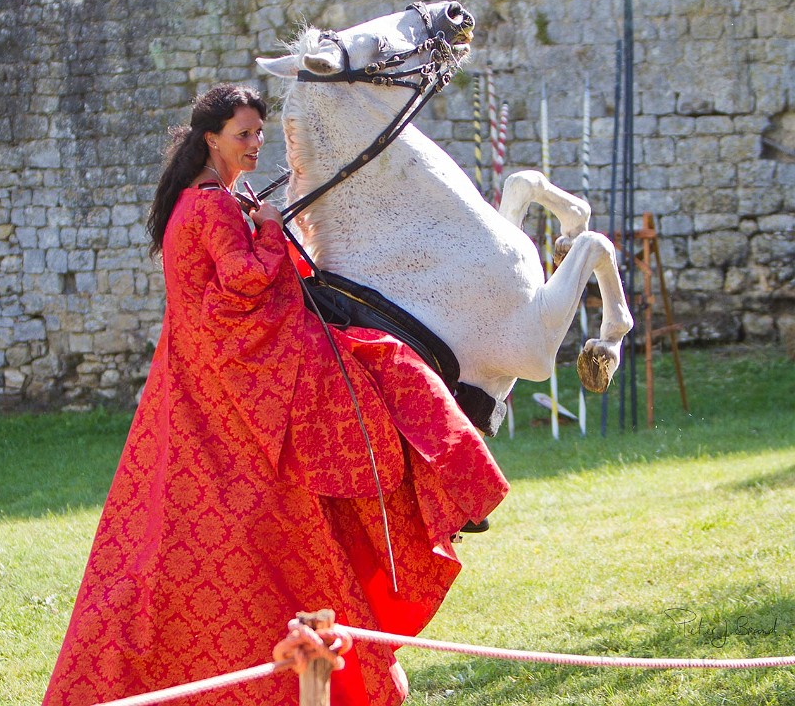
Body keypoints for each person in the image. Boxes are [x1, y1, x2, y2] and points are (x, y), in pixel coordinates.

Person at [42, 84, 509, 706]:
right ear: (211, 138)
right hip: (236, 375)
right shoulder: (211, 206)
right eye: (244, 134)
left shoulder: (206, 199)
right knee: (387, 369)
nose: (256, 144)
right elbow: (243, 280)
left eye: (259, 133)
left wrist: (257, 222)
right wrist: (265, 231)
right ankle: (451, 491)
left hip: (197, 382)